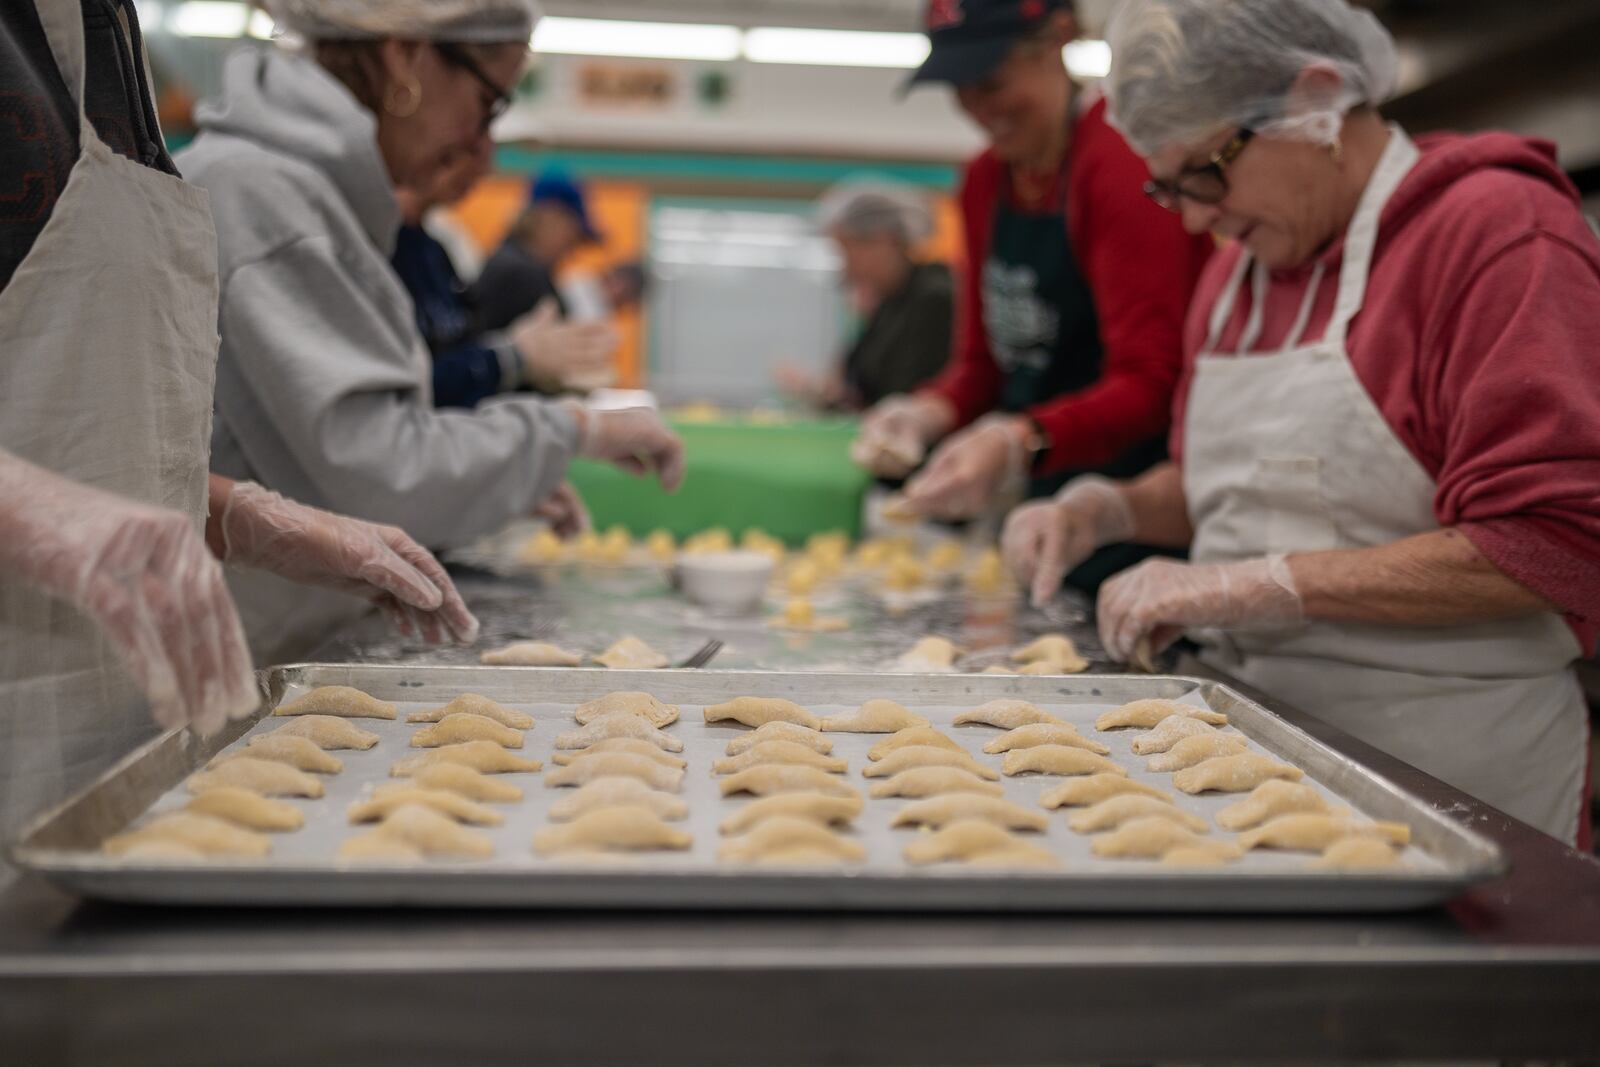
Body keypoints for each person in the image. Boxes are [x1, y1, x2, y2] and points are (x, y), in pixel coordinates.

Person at [1005, 0, 1600, 844]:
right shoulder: (1239, 273)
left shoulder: (1495, 237)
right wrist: (1108, 507)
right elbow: (1236, 481)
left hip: (1451, 776)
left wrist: (1257, 584)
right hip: (1244, 742)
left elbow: (1561, 544)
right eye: (1167, 187)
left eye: (1204, 173)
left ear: (1314, 100)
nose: (1195, 218)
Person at [0, 0, 478, 859]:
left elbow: (69, 409)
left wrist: (237, 515)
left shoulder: (107, 35)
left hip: (115, 745)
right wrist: (29, 511)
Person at [177, 0, 684, 660]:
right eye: (488, 101)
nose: (480, 144)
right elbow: (385, 471)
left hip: (273, 631)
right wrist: (576, 427)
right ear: (404, 56)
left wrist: (486, 484)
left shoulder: (310, 200)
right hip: (228, 645)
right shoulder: (264, 198)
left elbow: (321, 451)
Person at [853, 0, 1213, 593]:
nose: (977, 108)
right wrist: (924, 411)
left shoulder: (1121, 164)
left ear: (1060, 39)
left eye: (991, 82)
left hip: (1138, 511)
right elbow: (981, 366)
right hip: (1042, 502)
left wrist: (1017, 439)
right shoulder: (985, 182)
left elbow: (1152, 379)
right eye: (958, 88)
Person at [391, 135, 617, 408]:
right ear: (551, 218)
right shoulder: (520, 274)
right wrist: (519, 358)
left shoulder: (434, 252)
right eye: (574, 236)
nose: (484, 165)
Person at [780, 181, 955, 413]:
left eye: (847, 251)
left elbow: (904, 396)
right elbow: (855, 383)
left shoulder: (935, 298)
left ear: (884, 239)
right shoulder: (889, 302)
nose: (846, 268)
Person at [473, 170, 600, 332]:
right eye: (572, 239)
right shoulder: (521, 275)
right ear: (551, 217)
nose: (571, 253)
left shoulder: (507, 261)